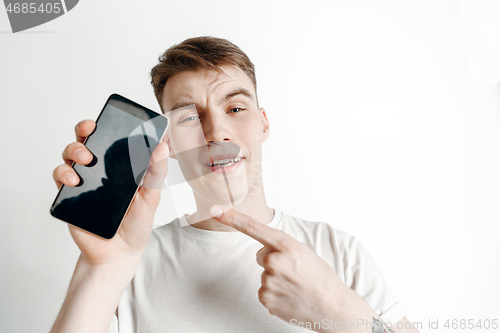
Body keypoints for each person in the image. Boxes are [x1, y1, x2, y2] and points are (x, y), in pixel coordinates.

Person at [50, 36, 420, 333]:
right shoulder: (131, 261)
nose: (216, 132)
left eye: (235, 109)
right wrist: (103, 268)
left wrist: (339, 315)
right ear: (168, 146)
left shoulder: (339, 252)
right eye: (189, 118)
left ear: (263, 123)